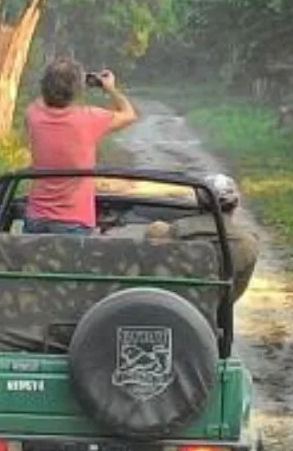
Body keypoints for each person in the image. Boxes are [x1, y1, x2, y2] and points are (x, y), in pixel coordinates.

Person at [23, 57, 139, 234]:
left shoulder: (32, 115)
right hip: (74, 221)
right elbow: (129, 114)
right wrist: (110, 88)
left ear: (45, 85)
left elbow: (43, 99)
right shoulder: (89, 118)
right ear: (76, 90)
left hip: (36, 218)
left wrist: (62, 81)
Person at [161, 173, 259, 302]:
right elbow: (233, 295)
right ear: (235, 204)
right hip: (213, 314)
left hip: (171, 305)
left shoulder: (171, 232)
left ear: (199, 201)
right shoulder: (248, 244)